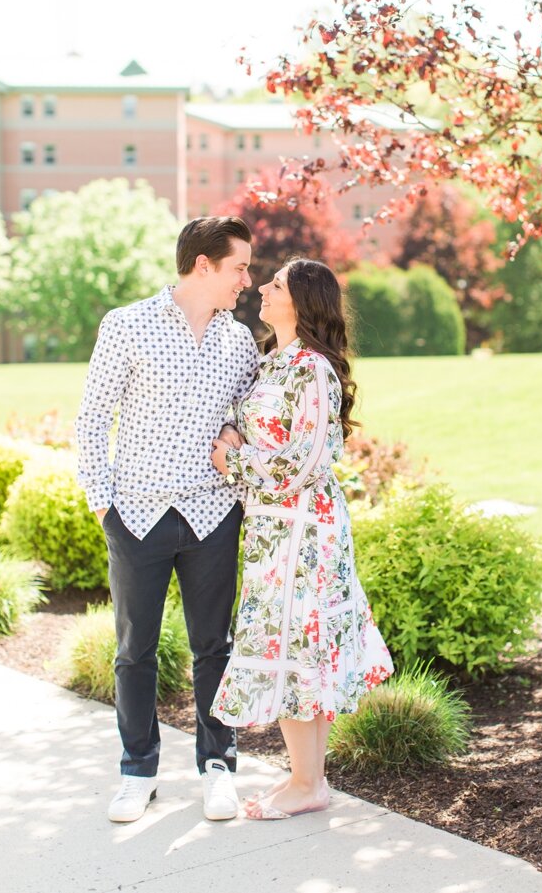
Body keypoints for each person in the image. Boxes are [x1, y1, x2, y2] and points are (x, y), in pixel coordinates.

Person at [75, 216, 259, 823]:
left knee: (215, 647)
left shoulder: (238, 341)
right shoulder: (126, 325)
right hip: (137, 515)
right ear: (203, 266)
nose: (247, 280)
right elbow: (91, 418)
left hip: (212, 514)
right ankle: (137, 771)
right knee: (135, 652)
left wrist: (234, 428)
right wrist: (106, 506)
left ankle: (218, 767)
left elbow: (248, 411)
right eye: (239, 267)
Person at [208, 257, 392, 820]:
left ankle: (307, 781)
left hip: (304, 533)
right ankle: (308, 781)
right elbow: (261, 433)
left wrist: (233, 461)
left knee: (297, 645)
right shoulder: (273, 361)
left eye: (277, 284)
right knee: (291, 648)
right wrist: (237, 434)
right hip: (272, 530)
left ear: (303, 302)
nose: (262, 288)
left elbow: (304, 461)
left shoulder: (312, 368)